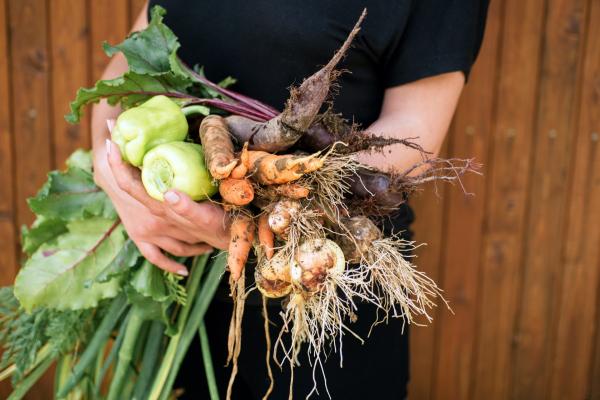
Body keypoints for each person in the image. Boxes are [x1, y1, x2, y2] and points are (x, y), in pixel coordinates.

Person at [91, 1, 489, 398]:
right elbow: (125, 73)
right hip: (182, 284)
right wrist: (113, 178)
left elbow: (416, 137)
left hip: (327, 274)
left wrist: (260, 210)